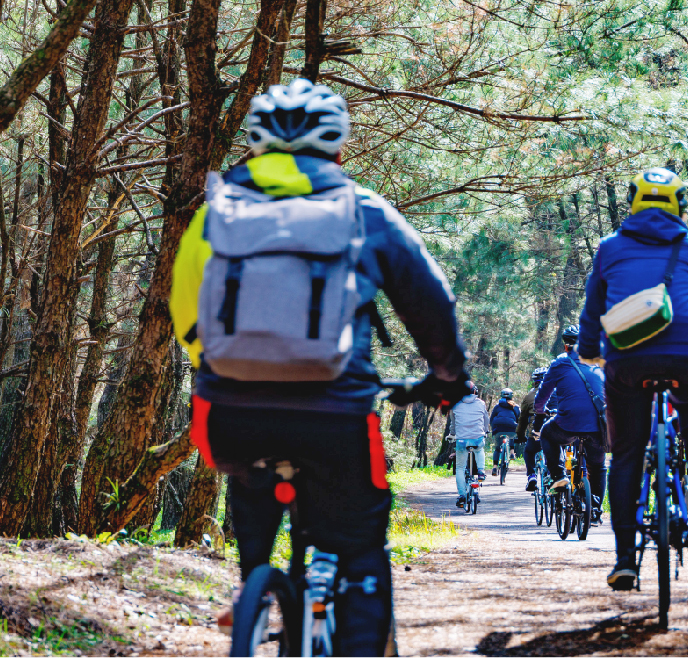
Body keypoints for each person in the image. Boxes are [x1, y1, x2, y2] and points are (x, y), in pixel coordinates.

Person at [170, 78, 471, 656]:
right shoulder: (362, 210)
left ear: (256, 147)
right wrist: (447, 375)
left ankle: (251, 587)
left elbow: (185, 305)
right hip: (336, 412)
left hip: (227, 414)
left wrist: (222, 368)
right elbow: (430, 300)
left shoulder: (219, 211)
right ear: (338, 148)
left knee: (248, 467)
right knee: (359, 542)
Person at [576, 167, 688, 592]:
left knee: (627, 455)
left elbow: (593, 308)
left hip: (627, 356)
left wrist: (588, 348)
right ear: (680, 205)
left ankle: (625, 560)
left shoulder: (610, 248)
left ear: (633, 202)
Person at [536, 325, 607, 518]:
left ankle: (559, 477)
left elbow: (543, 393)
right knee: (598, 467)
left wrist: (540, 410)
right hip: (598, 427)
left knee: (546, 433)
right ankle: (596, 510)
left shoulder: (560, 363)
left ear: (566, 346)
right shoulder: (600, 363)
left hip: (568, 424)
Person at [449, 384, 490, 507]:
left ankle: (461, 496)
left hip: (462, 440)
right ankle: (481, 471)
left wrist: (452, 434)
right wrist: (485, 430)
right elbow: (486, 419)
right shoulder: (481, 403)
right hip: (477, 438)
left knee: (460, 468)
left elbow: (453, 423)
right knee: (479, 449)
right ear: (475, 391)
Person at [517, 368, 547, 491]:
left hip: (536, 434)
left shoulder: (529, 396)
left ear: (534, 381)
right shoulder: (557, 393)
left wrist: (520, 435)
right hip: (556, 432)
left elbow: (522, 419)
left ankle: (531, 475)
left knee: (529, 451)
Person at [489, 388, 520, 475]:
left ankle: (495, 467)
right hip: (511, 427)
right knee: (512, 433)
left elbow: (491, 419)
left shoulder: (497, 406)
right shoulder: (515, 406)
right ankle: (512, 453)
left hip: (498, 428)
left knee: (497, 448)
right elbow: (519, 419)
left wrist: (492, 429)